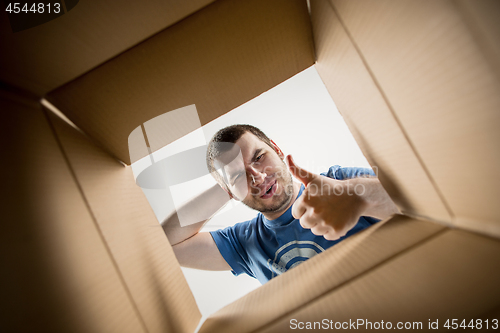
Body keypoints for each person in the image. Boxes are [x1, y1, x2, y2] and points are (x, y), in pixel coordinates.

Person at [162, 124, 399, 284]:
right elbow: (165, 247)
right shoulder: (245, 243)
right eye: (240, 177)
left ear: (276, 149)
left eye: (259, 157)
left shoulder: (338, 181)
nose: (259, 177)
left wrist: (357, 198)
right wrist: (229, 183)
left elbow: (420, 198)